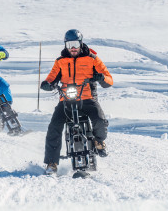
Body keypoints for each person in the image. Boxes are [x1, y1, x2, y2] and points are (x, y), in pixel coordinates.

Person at [40, 29, 113, 175]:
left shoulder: (92, 58)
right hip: (66, 99)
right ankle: (52, 163)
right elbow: (51, 77)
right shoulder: (60, 61)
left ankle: (98, 141)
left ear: (80, 43)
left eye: (75, 44)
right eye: (69, 44)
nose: (72, 48)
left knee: (99, 119)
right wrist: (47, 84)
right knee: (54, 126)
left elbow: (108, 79)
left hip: (87, 98)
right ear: (66, 45)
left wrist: (101, 78)